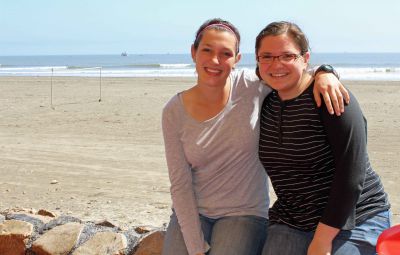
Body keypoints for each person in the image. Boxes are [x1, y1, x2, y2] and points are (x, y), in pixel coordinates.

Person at [162, 18, 347, 255]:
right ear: (193, 52)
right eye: (207, 50)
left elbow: (294, 74)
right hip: (192, 210)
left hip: (244, 213)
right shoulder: (173, 110)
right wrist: (196, 248)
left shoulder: (253, 86)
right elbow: (180, 183)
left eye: (226, 53)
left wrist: (326, 72)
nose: (215, 60)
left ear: (237, 60)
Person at [256, 21, 391, 255]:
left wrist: (322, 240)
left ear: (305, 58)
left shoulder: (332, 99)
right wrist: (325, 70)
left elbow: (352, 176)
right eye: (267, 56)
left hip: (356, 217)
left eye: (287, 56)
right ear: (257, 61)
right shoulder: (266, 101)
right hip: (293, 219)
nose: (276, 64)